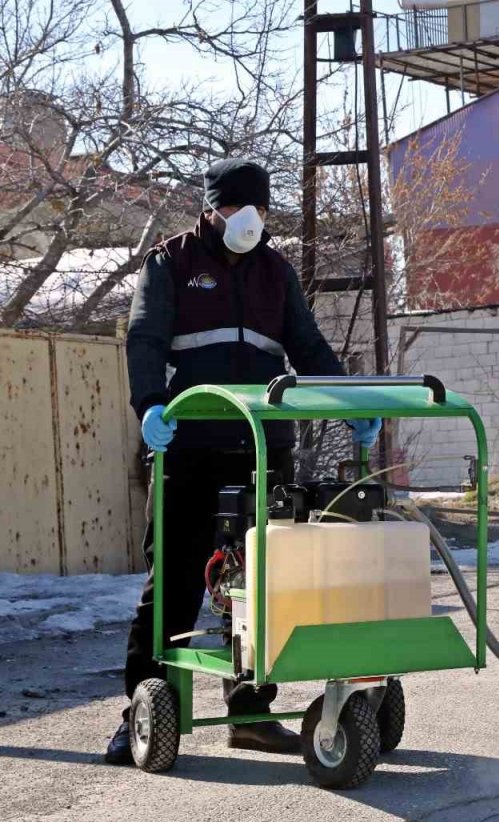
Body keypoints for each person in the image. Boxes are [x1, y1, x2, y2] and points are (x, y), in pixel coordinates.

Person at [105, 158, 381, 765]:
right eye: (234, 208)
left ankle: (250, 713)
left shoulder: (275, 273)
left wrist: (354, 400)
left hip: (261, 448)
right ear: (211, 208)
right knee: (173, 580)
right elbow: (145, 338)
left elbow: (307, 345)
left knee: (260, 584)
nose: (246, 220)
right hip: (188, 448)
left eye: (256, 209)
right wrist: (150, 405)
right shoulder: (170, 262)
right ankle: (140, 714)